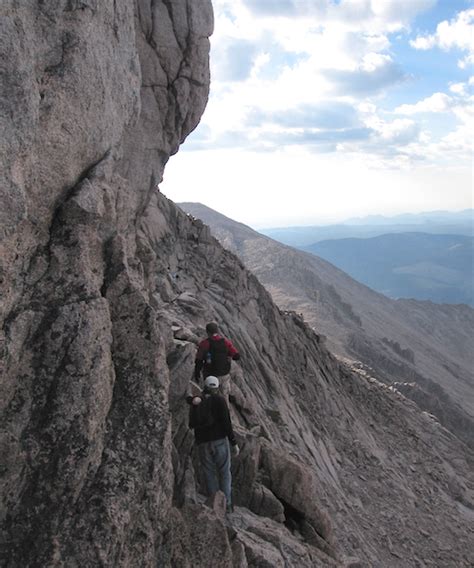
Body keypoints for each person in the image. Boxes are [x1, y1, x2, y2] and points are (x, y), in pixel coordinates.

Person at [187, 375, 240, 513]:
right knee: (224, 472)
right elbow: (227, 423)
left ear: (205, 385)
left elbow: (191, 422)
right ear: (216, 387)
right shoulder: (219, 400)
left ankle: (214, 505)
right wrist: (233, 442)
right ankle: (226, 504)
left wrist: (191, 399)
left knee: (209, 473)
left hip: (203, 442)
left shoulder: (198, 400)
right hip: (219, 441)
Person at [194, 322, 240, 400]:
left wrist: (197, 372)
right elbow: (237, 356)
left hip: (210, 375)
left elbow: (199, 359)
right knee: (224, 397)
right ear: (217, 331)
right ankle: (225, 410)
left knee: (210, 397)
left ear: (207, 332)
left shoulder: (205, 343)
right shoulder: (225, 342)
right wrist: (228, 356)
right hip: (224, 374)